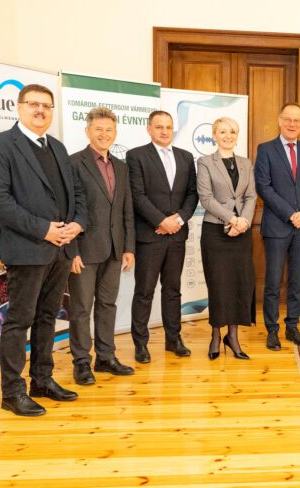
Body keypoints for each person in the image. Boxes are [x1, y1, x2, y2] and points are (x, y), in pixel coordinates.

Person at [0, 83, 86, 416]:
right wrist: (44, 229)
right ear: (19, 107)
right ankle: (12, 392)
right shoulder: (1, 145)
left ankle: (42, 380)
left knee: (47, 318)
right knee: (19, 320)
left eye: (46, 105)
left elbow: (77, 193)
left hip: (61, 249)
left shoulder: (57, 147)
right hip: (28, 249)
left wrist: (77, 224)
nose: (40, 110)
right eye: (33, 104)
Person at [67, 107, 135, 385]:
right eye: (99, 129)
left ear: (115, 132)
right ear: (87, 131)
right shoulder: (73, 163)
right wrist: (71, 251)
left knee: (108, 304)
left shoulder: (121, 167)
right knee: (81, 308)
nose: (104, 134)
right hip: (84, 250)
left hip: (115, 249)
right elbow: (67, 210)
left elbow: (126, 210)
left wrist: (129, 247)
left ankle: (106, 357)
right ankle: (82, 362)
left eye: (109, 130)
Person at [126, 111, 198, 363]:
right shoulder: (136, 156)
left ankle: (173, 339)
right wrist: (161, 221)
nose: (165, 131)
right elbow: (137, 195)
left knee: (173, 290)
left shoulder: (186, 157)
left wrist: (178, 220)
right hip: (150, 236)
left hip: (176, 235)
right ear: (149, 129)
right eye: (159, 127)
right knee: (144, 291)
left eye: (168, 127)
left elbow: (192, 194)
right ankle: (141, 344)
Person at [254, 103, 300, 351]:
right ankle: (272, 330)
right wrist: (291, 214)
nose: (292, 124)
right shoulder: (266, 149)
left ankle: (292, 326)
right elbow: (264, 187)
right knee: (273, 282)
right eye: (288, 119)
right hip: (277, 226)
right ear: (280, 121)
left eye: (297, 120)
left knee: (296, 282)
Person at [197, 117, 256, 360]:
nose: (228, 136)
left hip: (242, 233)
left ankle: (233, 337)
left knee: (239, 284)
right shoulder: (205, 162)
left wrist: (244, 222)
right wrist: (232, 219)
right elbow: (206, 198)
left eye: (232, 131)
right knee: (218, 285)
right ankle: (215, 336)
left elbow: (251, 196)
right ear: (214, 135)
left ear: (237, 135)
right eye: (222, 131)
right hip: (216, 232)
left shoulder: (245, 163)